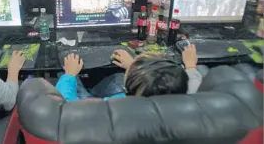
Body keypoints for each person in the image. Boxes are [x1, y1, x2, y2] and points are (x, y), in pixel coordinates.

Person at [56, 45, 202, 101]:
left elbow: (67, 107)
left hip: (87, 103)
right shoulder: (191, 95)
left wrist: (69, 75)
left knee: (73, 80)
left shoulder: (113, 106)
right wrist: (190, 66)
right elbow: (192, 81)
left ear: (128, 88)